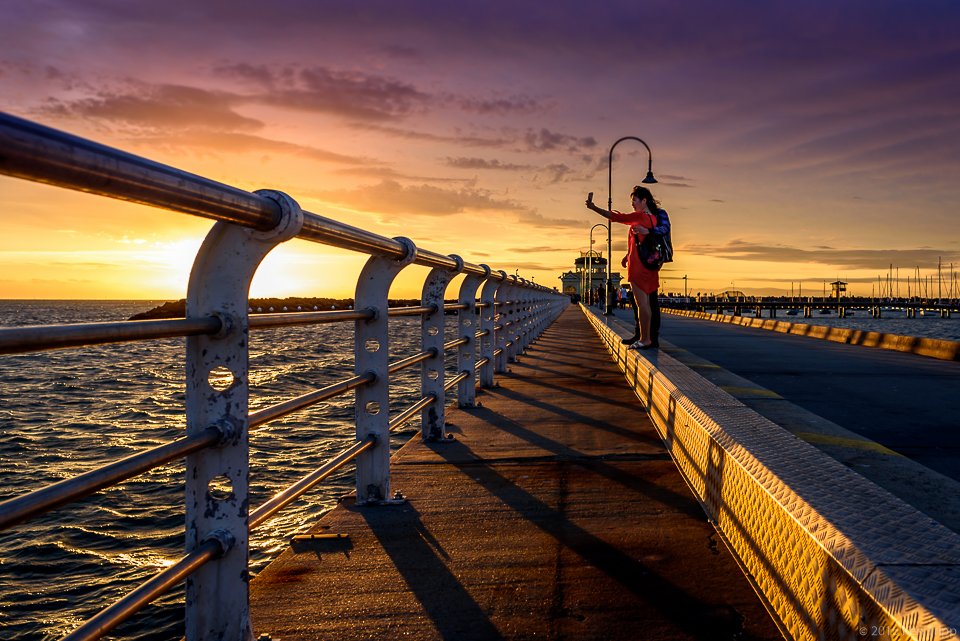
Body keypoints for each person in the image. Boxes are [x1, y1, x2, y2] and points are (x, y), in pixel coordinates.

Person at [585, 186, 670, 349]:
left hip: (638, 267)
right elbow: (642, 242)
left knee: (641, 304)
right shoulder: (653, 219)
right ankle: (647, 338)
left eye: (634, 201)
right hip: (650, 266)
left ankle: (645, 339)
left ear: (644, 201)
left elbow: (616, 217)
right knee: (647, 304)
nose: (632, 204)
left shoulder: (640, 216)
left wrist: (593, 207)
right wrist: (627, 255)